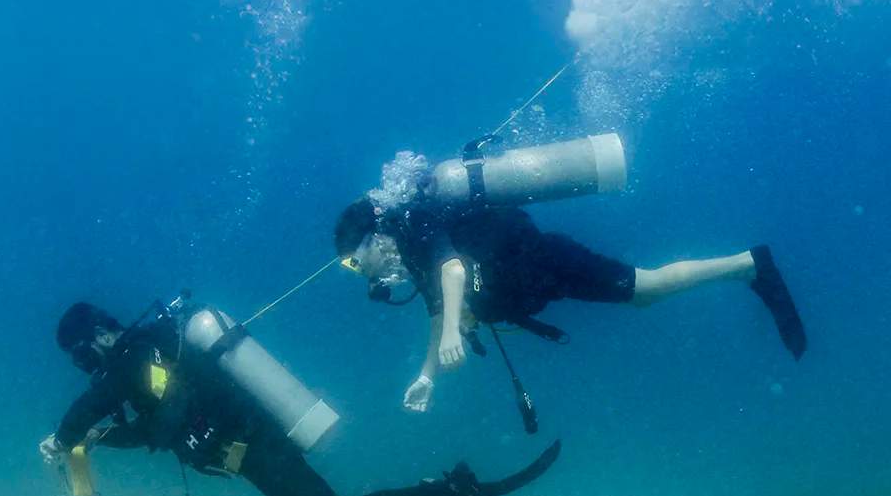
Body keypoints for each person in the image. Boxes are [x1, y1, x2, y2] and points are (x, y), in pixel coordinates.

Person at [39, 300, 565, 496]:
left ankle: (453, 492)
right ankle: (449, 492)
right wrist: (100, 438)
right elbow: (155, 429)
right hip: (249, 451)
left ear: (100, 336)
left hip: (257, 446)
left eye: (81, 355)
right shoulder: (143, 362)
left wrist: (65, 438)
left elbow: (104, 401)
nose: (84, 368)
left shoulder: (137, 353)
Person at [334, 178, 806, 415]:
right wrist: (427, 376)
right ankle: (748, 266)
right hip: (535, 281)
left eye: (354, 262)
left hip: (547, 263)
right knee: (646, 291)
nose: (359, 272)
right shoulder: (414, 256)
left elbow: (454, 272)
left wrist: (458, 326)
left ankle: (751, 265)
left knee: (646, 287)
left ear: (373, 238)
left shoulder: (418, 227)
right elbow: (440, 313)